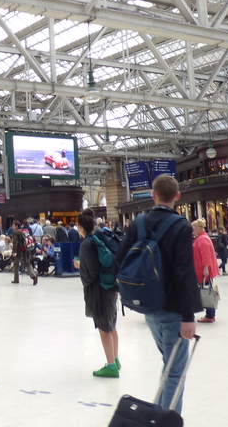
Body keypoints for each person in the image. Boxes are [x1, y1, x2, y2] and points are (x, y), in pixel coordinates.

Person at [115, 175, 199, 415]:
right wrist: (188, 315)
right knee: (175, 372)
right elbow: (184, 274)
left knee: (169, 365)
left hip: (148, 306)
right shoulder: (181, 226)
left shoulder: (139, 222)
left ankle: (160, 416)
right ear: (177, 196)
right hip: (173, 309)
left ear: (153, 195)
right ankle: (166, 420)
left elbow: (119, 259)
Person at [76, 209, 120, 378]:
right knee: (111, 325)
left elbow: (91, 273)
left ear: (81, 227)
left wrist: (81, 268)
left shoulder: (87, 244)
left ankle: (110, 366)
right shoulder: (101, 237)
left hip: (99, 290)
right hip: (111, 286)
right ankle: (115, 359)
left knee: (103, 327)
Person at [191, 220, 219, 323]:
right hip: (201, 270)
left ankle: (210, 315)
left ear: (199, 228)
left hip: (202, 271)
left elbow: (206, 256)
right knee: (207, 291)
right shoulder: (202, 238)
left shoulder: (202, 240)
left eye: (193, 228)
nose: (192, 231)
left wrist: (206, 268)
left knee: (207, 292)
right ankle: (210, 314)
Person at [11, 220, 38, 285]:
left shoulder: (16, 232)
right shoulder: (24, 231)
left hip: (19, 251)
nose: (12, 226)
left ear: (16, 226)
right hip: (26, 250)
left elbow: (15, 243)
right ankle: (33, 276)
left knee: (16, 264)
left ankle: (32, 277)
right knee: (27, 264)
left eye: (13, 225)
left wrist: (14, 252)